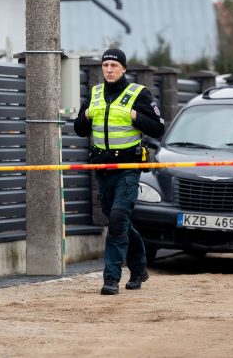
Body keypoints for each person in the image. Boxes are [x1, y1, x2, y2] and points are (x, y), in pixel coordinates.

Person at [74, 48, 165, 295]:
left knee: (116, 220)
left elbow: (158, 128)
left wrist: (135, 115)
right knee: (118, 220)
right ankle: (139, 268)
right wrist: (85, 115)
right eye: (106, 66)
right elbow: (80, 130)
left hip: (128, 168)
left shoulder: (137, 93)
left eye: (114, 66)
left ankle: (111, 279)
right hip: (103, 169)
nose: (109, 70)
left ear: (124, 68)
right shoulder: (94, 94)